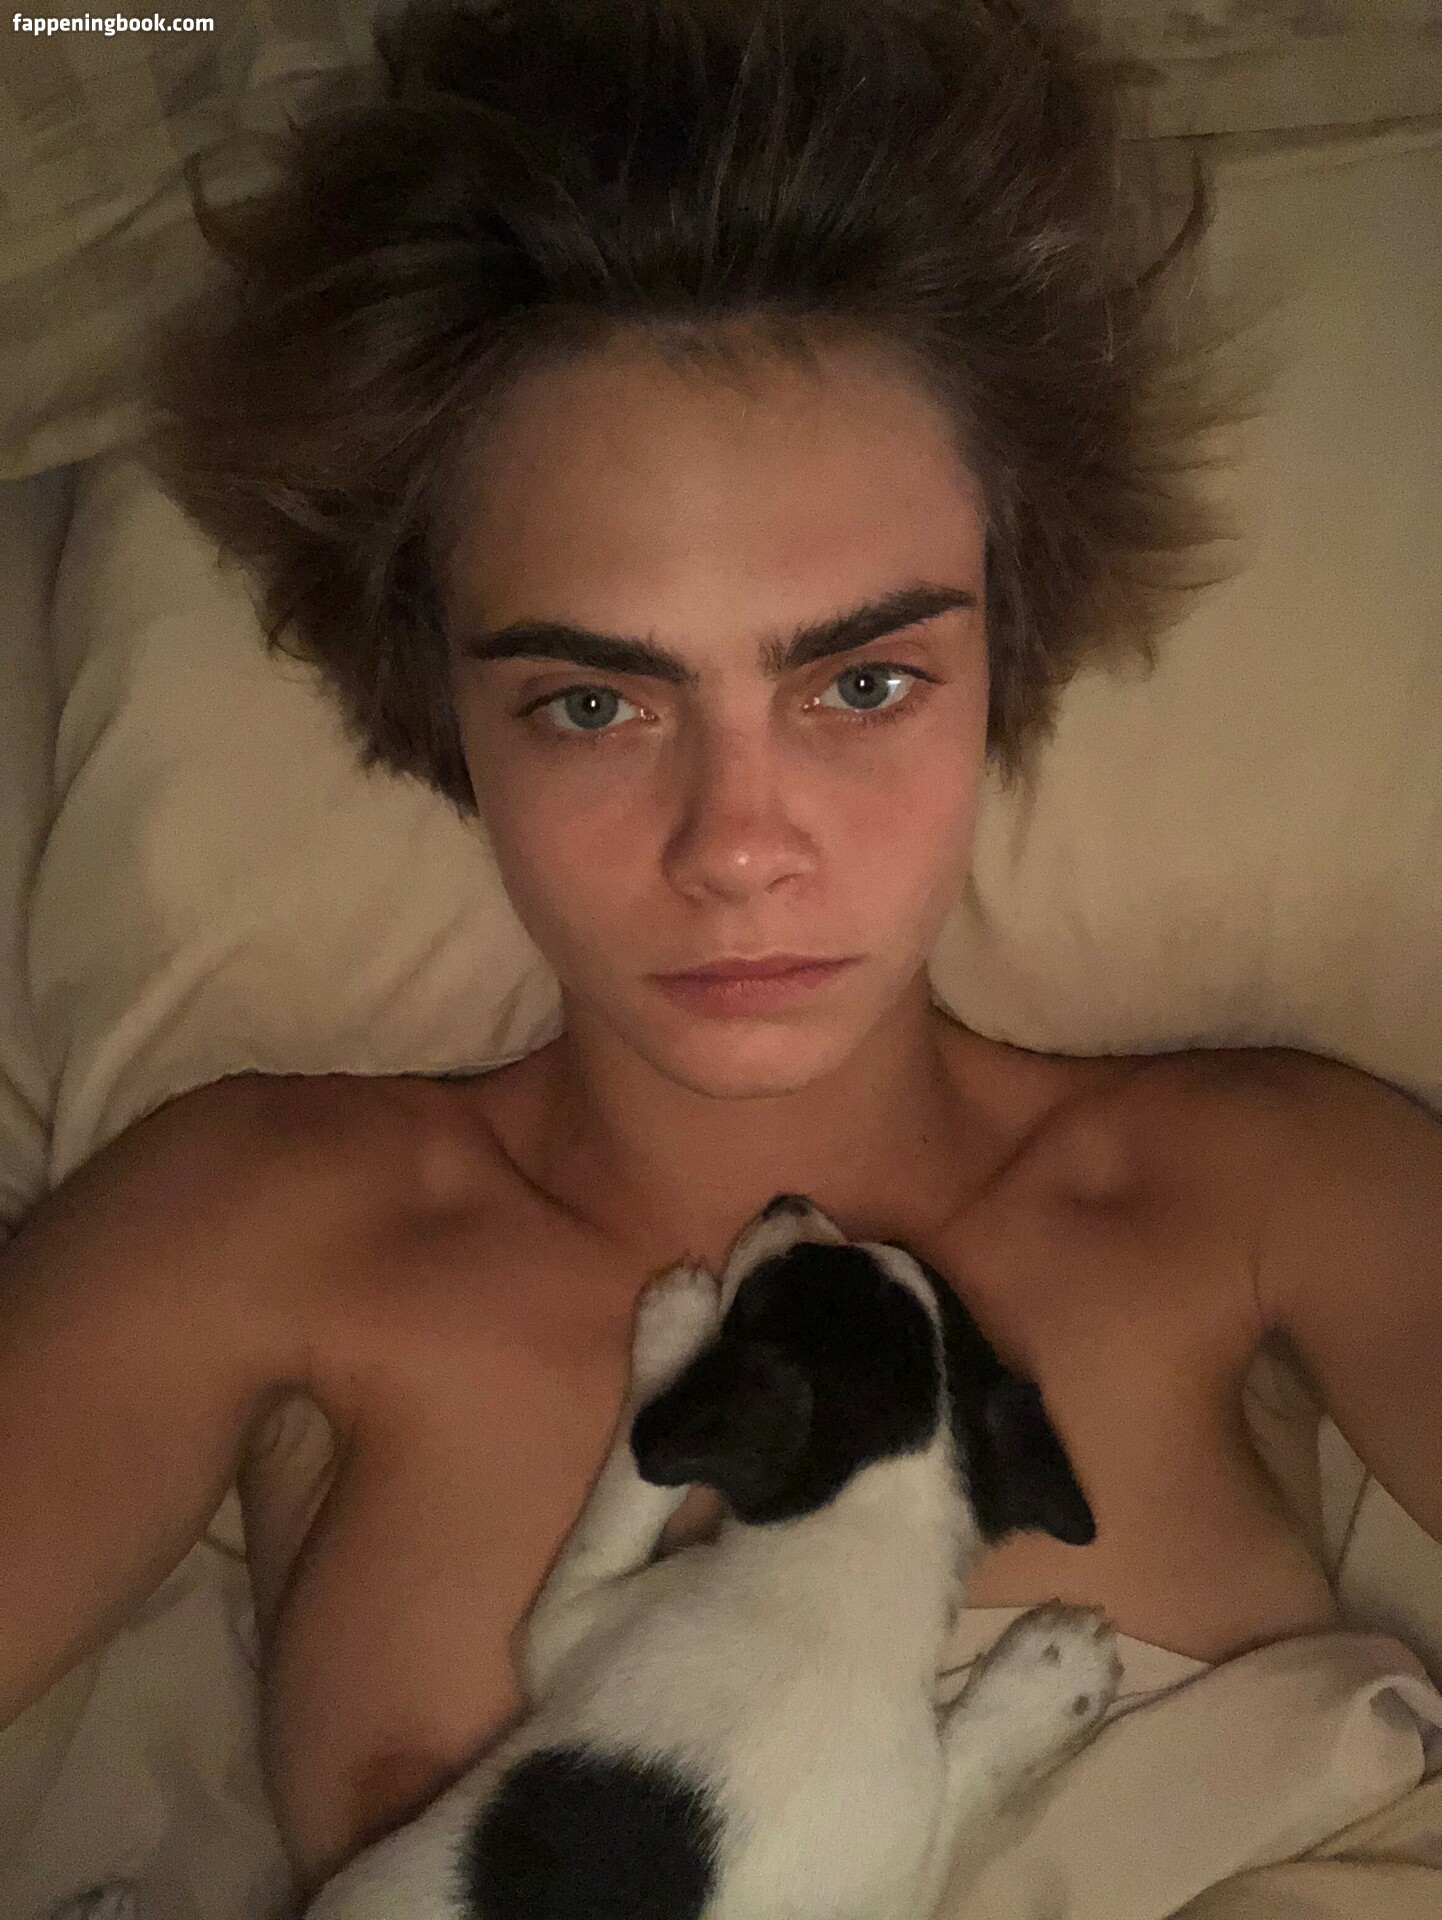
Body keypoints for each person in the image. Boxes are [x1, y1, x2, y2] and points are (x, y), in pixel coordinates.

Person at [2, 0, 1439, 1902]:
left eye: (862, 682)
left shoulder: (1261, 1186)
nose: (737, 847)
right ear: (443, 709)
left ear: (1003, 658)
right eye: (594, 705)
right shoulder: (265, 1223)